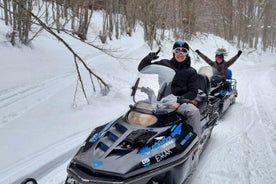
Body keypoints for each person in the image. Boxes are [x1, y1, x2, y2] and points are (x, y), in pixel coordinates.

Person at [138, 40, 201, 139]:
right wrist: (148, 59)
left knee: (194, 112)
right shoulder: (164, 63)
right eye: (177, 51)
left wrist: (180, 100)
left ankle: (196, 139)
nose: (180, 54)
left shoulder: (191, 71)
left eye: (183, 51)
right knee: (140, 106)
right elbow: (142, 68)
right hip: (162, 99)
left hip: (181, 101)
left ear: (187, 54)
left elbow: (193, 91)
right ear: (173, 52)